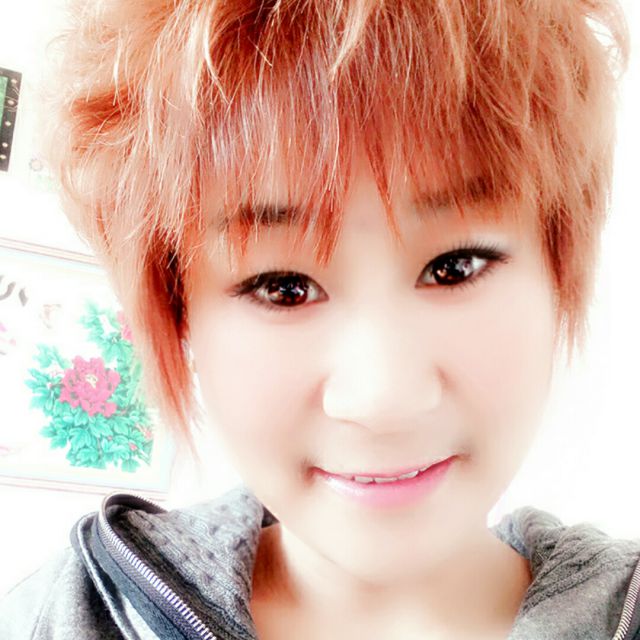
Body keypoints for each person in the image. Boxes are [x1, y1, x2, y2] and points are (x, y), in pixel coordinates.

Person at [1, 0, 638, 638]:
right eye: (284, 288)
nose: (381, 400)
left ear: (558, 274)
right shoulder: (65, 615)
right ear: (181, 312)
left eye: (454, 267)